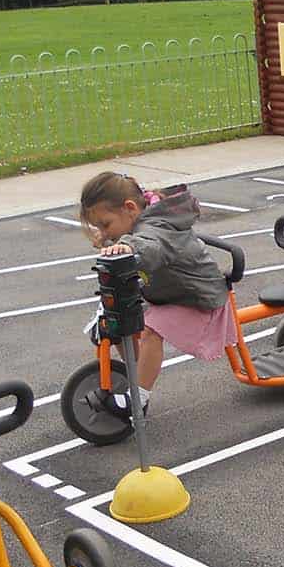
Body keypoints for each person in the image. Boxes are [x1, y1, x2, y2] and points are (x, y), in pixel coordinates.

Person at [78, 171, 232, 417]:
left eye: (105, 225)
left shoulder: (157, 226)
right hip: (168, 294)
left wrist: (127, 246)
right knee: (118, 322)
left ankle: (137, 398)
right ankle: (140, 377)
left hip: (197, 297)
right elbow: (132, 244)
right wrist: (111, 242)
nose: (104, 232)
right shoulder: (138, 221)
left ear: (129, 208)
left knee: (151, 330)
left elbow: (150, 247)